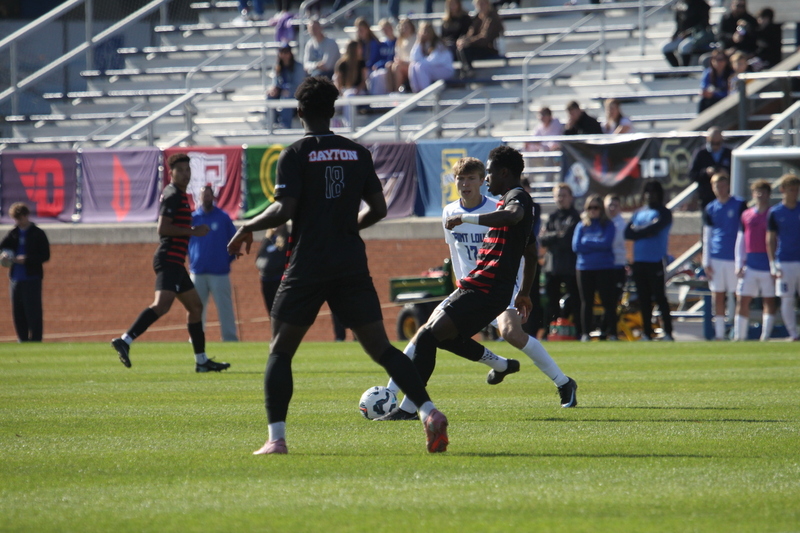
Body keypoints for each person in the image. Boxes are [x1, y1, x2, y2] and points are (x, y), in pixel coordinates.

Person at [226, 76, 449, 455]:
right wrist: (348, 228)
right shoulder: (357, 152)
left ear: (299, 112)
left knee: (281, 351)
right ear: (333, 111)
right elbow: (379, 208)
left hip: (308, 262)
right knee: (381, 348)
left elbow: (286, 208)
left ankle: (276, 439)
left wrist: (247, 225)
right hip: (350, 262)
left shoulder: (294, 154)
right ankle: (428, 411)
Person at [387, 146, 578, 422]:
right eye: (461, 179)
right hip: (472, 285)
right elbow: (529, 248)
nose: (480, 181)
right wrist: (523, 291)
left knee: (499, 333)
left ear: (497, 174)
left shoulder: (510, 202)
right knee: (437, 336)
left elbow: (514, 219)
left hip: (490, 288)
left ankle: (562, 381)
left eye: (482, 175)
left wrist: (520, 291)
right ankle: (500, 366)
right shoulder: (469, 208)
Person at [110, 153, 231, 373]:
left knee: (195, 307)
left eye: (188, 170)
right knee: (161, 305)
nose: (185, 174)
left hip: (176, 262)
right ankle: (125, 340)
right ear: (171, 173)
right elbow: (163, 228)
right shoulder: (173, 194)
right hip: (168, 259)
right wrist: (192, 231)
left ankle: (202, 361)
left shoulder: (180, 195)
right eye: (181, 170)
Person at [625, 180, 674, 341]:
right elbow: (628, 233)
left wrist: (639, 231)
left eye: (653, 192)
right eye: (647, 192)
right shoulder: (639, 213)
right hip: (639, 261)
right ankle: (647, 332)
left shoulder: (664, 212)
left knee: (660, 298)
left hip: (655, 261)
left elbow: (655, 228)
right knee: (643, 299)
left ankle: (668, 332)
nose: (650, 195)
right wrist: (644, 232)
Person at [189, 185, 239, 342]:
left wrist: (226, 261)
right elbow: (184, 243)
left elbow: (235, 242)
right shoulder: (194, 218)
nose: (207, 198)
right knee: (195, 308)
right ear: (199, 198)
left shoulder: (223, 218)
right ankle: (195, 339)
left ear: (214, 197)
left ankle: (229, 338)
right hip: (197, 272)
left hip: (220, 273)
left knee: (225, 308)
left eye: (209, 195)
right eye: (204, 195)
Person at [702, 173, 747, 340]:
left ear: (728, 186)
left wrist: (743, 258)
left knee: (738, 295)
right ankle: (720, 334)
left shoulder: (739, 204)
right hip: (716, 257)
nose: (719, 190)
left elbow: (745, 232)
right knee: (718, 295)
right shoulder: (710, 208)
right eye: (716, 186)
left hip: (734, 258)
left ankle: (738, 332)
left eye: (722, 186)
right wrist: (706, 261)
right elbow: (707, 236)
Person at [733, 179, 777, 341]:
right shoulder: (746, 215)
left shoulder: (773, 214)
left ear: (768, 195)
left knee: (769, 300)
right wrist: (739, 263)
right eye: (757, 191)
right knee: (743, 299)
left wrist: (775, 265)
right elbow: (741, 240)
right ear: (753, 194)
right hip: (750, 264)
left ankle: (765, 337)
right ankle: (740, 336)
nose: (760, 195)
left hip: (767, 264)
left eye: (763, 191)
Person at [0, 202, 50, 342]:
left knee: (33, 311)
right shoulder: (13, 233)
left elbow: (45, 255)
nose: (18, 222)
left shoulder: (37, 233)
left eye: (20, 218)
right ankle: (22, 339)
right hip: (15, 278)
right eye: (15, 219)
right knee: (18, 311)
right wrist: (4, 256)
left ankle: (35, 339)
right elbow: (3, 248)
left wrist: (27, 260)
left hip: (32, 277)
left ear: (26, 216)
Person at [572, 194, 617, 342]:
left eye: (596, 207)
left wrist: (588, 242)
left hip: (604, 268)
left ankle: (612, 333)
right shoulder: (581, 225)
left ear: (601, 209)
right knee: (586, 302)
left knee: (608, 301)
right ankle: (586, 333)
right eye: (590, 207)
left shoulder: (608, 225)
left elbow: (606, 243)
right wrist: (595, 243)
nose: (593, 211)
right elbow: (576, 246)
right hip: (584, 268)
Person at [539, 183, 582, 337]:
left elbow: (567, 239)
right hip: (552, 266)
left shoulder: (575, 217)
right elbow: (543, 239)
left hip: (570, 266)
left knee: (575, 301)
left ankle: (579, 332)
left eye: (564, 195)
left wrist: (553, 236)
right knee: (550, 303)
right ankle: (548, 332)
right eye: (558, 195)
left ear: (571, 197)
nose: (561, 199)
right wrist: (557, 235)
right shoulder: (552, 216)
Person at [766, 173, 800, 341]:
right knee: (787, 299)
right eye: (790, 190)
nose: (794, 193)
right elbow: (770, 239)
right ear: (782, 190)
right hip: (785, 260)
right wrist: (773, 263)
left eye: (796, 190)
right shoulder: (775, 212)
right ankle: (793, 333)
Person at [456, 0, 504, 76]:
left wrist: (469, 42)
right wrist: (463, 40)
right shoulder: (478, 17)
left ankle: (468, 71)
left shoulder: (492, 17)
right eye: (479, 4)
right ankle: (466, 70)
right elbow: (470, 33)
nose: (481, 6)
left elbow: (486, 38)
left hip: (489, 47)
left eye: (483, 3)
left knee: (465, 50)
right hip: (479, 46)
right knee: (460, 48)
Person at [689, 126, 733, 210]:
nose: (715, 146)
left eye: (718, 143)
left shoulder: (728, 153)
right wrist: (706, 172)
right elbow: (692, 174)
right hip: (707, 197)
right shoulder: (701, 153)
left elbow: (738, 174)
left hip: (727, 198)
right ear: (708, 139)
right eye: (713, 143)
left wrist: (726, 173)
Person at [662, 0, 712, 67]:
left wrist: (688, 32)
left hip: (697, 34)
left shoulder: (701, 5)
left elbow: (704, 23)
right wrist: (675, 34)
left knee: (683, 47)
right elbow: (679, 24)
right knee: (665, 47)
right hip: (682, 35)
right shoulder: (680, 5)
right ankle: (677, 69)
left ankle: (685, 71)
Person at [267, 44, 307, 129]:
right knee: (270, 96)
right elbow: (276, 82)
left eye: (286, 52)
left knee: (286, 96)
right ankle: (271, 124)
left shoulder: (298, 67)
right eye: (281, 52)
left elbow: (299, 84)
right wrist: (274, 89)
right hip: (283, 92)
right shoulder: (278, 67)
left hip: (295, 94)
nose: (284, 55)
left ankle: (285, 125)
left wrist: (287, 89)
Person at [605, 194, 628, 337]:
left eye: (615, 205)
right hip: (604, 266)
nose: (612, 208)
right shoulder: (602, 222)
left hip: (617, 266)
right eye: (609, 205)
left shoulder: (620, 224)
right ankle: (606, 329)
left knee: (613, 301)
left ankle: (612, 331)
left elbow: (611, 243)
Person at [408, 22, 454, 93]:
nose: (425, 34)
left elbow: (433, 61)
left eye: (427, 31)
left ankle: (426, 92)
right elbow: (413, 57)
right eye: (423, 31)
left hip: (445, 69)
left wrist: (420, 61)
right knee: (413, 65)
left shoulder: (438, 43)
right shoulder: (423, 43)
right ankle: (416, 91)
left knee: (421, 66)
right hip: (432, 69)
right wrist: (419, 42)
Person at [256, 224, 289, 314]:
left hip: (280, 280)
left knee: (282, 310)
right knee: (271, 311)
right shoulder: (267, 240)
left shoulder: (287, 239)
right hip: (266, 279)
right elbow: (259, 257)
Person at [334, 40, 368, 126]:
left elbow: (364, 82)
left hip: (359, 91)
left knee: (350, 96)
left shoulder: (361, 63)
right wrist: (341, 92)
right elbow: (338, 83)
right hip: (345, 91)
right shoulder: (341, 64)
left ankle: (349, 126)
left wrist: (357, 90)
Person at [367, 18, 396, 95]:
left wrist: (380, 64)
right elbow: (376, 58)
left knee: (379, 76)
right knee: (373, 74)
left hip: (391, 68)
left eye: (387, 28)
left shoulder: (397, 42)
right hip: (381, 68)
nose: (386, 31)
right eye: (384, 30)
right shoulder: (382, 44)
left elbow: (393, 58)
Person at [388, 18, 416, 93]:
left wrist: (404, 61)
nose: (404, 29)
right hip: (402, 64)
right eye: (403, 27)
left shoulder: (416, 39)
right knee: (389, 65)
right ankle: (390, 91)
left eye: (406, 27)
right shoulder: (400, 40)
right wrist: (397, 59)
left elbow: (415, 57)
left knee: (397, 67)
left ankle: (397, 91)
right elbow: (397, 54)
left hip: (411, 65)